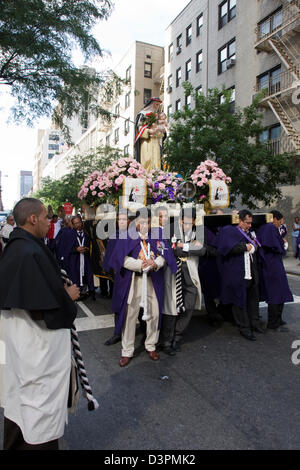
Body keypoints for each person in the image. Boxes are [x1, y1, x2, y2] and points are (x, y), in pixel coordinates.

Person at [0, 198, 80, 450]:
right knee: (37, 419)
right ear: (33, 218)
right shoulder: (27, 251)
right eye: (46, 217)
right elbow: (41, 307)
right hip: (36, 355)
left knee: (17, 409)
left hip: (20, 350)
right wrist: (66, 297)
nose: (49, 222)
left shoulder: (19, 246)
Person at [103, 209, 177, 367]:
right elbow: (121, 260)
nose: (146, 225)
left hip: (153, 280)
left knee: (155, 314)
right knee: (130, 316)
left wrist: (155, 263)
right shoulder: (126, 237)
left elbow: (165, 255)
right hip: (133, 281)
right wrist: (139, 265)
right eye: (142, 222)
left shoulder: (157, 235)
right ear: (135, 223)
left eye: (149, 222)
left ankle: (151, 345)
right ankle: (127, 351)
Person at [160, 208, 206, 354]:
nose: (186, 226)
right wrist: (190, 247)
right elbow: (168, 249)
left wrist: (183, 246)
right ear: (179, 219)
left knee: (190, 305)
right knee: (171, 307)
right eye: (184, 222)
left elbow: (203, 250)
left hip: (190, 272)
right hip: (173, 272)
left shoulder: (198, 230)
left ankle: (177, 336)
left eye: (189, 223)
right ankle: (167, 341)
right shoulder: (169, 229)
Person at [218, 209, 264, 341]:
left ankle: (254, 323)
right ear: (240, 220)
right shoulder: (229, 231)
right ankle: (244, 328)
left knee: (253, 300)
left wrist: (251, 245)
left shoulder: (250, 233)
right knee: (239, 301)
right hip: (238, 273)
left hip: (251, 272)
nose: (249, 225)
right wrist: (245, 247)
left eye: (251, 223)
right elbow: (226, 248)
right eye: (247, 223)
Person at [257, 210, 293, 331]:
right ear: (274, 219)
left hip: (273, 264)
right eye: (280, 222)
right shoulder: (269, 228)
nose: (280, 225)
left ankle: (278, 318)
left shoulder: (266, 228)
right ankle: (273, 322)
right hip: (272, 265)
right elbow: (275, 246)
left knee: (280, 293)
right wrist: (283, 246)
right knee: (275, 294)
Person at [103, 209, 131, 346]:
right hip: (120, 275)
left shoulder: (134, 235)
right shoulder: (115, 236)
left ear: (129, 221)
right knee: (118, 304)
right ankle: (117, 333)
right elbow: (109, 255)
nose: (122, 222)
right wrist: (110, 271)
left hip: (133, 274)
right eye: (119, 220)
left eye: (124, 220)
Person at [61, 215, 96, 300]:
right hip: (75, 259)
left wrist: (87, 248)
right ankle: (78, 292)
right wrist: (76, 249)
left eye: (79, 222)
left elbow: (92, 245)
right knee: (76, 275)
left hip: (85, 258)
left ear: (81, 222)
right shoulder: (69, 234)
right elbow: (65, 248)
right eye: (75, 223)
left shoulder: (87, 233)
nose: (78, 225)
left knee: (88, 274)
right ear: (73, 224)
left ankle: (91, 292)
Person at [134, 97, 167, 172]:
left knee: (157, 160)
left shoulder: (158, 116)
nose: (157, 107)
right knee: (146, 160)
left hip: (156, 141)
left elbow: (162, 130)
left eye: (158, 105)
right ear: (151, 104)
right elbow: (138, 128)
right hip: (146, 141)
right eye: (156, 104)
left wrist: (160, 131)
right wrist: (149, 131)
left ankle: (156, 177)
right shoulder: (142, 114)